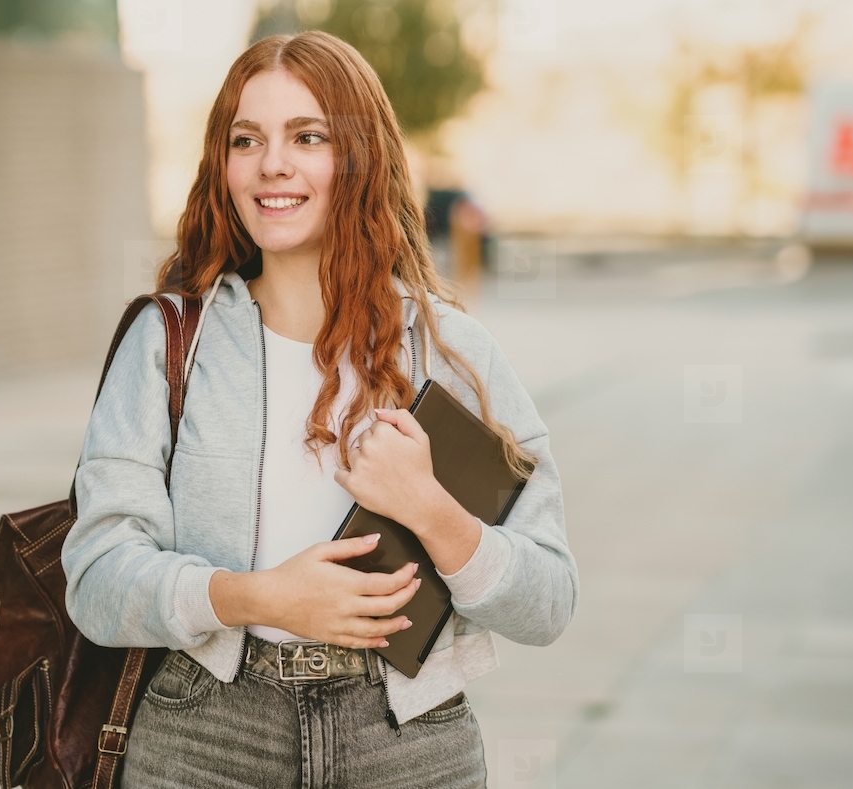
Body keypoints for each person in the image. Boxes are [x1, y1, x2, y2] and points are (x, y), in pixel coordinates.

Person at [61, 30, 578, 789]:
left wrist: (432, 509)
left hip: (408, 742)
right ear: (223, 164)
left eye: (308, 136)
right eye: (247, 140)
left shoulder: (447, 350)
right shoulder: (169, 341)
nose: (273, 163)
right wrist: (257, 596)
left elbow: (550, 600)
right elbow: (98, 578)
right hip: (207, 735)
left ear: (359, 158)